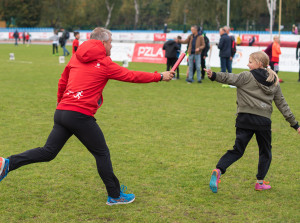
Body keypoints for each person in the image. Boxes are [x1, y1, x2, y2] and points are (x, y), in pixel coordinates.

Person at [0, 27, 175, 206]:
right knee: (102, 153)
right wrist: (160, 76)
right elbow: (131, 75)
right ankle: (115, 196)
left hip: (62, 112)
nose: (112, 46)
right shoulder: (105, 62)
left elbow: (62, 81)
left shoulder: (76, 56)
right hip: (79, 114)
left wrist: (61, 105)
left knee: (48, 152)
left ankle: (7, 163)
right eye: (111, 43)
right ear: (103, 42)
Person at [205, 51, 300, 193]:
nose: (247, 64)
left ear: (259, 64)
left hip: (244, 119)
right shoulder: (274, 80)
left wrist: (214, 75)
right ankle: (260, 182)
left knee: (238, 150)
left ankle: (219, 170)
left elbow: (229, 78)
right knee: (265, 152)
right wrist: (295, 125)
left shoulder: (246, 76)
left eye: (250, 61)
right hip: (263, 121)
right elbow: (282, 105)